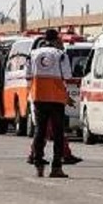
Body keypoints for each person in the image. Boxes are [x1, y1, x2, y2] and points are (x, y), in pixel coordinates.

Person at [28, 29, 72, 178]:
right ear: (57, 39)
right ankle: (56, 168)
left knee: (39, 131)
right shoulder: (60, 54)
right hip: (56, 98)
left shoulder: (33, 54)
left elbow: (28, 75)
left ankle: (38, 164)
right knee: (58, 133)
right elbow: (67, 75)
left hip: (38, 97)